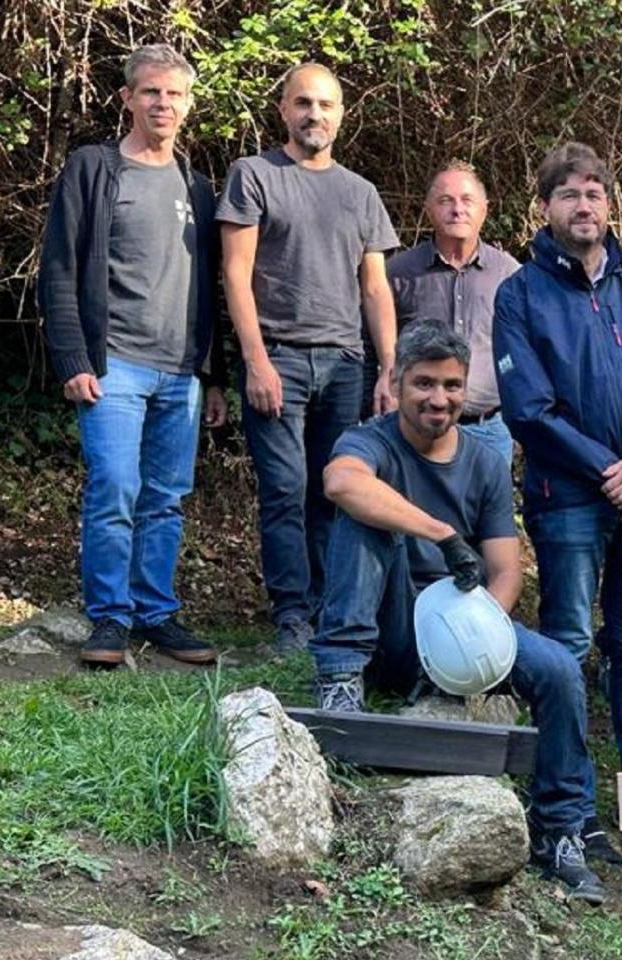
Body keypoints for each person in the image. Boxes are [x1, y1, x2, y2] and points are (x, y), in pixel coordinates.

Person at [309, 322, 604, 904]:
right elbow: (340, 483)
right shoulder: (368, 441)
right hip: (389, 623)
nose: (438, 399)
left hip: (459, 624)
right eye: (423, 383)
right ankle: (341, 677)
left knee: (560, 669)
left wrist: (475, 636)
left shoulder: (485, 461)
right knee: (367, 514)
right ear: (397, 383)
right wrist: (441, 533)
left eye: (451, 385)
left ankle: (559, 831)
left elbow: (506, 570)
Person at [494, 142, 622, 866]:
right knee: (571, 646)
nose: (584, 206)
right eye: (569, 194)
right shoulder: (520, 294)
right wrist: (610, 472)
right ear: (544, 206)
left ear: (610, 207)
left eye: (594, 194)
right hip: (568, 501)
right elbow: (529, 409)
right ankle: (573, 811)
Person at [38, 44, 227, 667]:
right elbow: (59, 268)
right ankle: (110, 619)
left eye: (174, 94)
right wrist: (73, 359)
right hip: (113, 362)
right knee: (116, 488)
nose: (162, 103)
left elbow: (211, 287)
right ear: (127, 98)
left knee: (165, 498)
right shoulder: (93, 168)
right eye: (151, 92)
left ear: (188, 104)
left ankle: (155, 611)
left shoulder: (198, 187)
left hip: (181, 371)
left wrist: (213, 375)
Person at [218, 62, 400, 653]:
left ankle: (328, 607)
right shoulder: (254, 175)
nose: (313, 114)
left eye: (324, 105)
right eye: (302, 103)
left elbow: (375, 287)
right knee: (284, 490)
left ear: (341, 115)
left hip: (346, 363)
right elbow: (236, 274)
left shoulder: (360, 192)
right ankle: (292, 614)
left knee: (335, 489)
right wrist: (256, 361)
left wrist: (389, 368)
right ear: (284, 111)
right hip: (280, 358)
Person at [385, 160, 520, 461]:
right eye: (446, 200)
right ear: (428, 209)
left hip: (488, 432)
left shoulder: (509, 275)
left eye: (467, 200)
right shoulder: (399, 273)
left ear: (484, 209)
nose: (457, 210)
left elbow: (525, 351)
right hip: (416, 432)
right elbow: (374, 345)